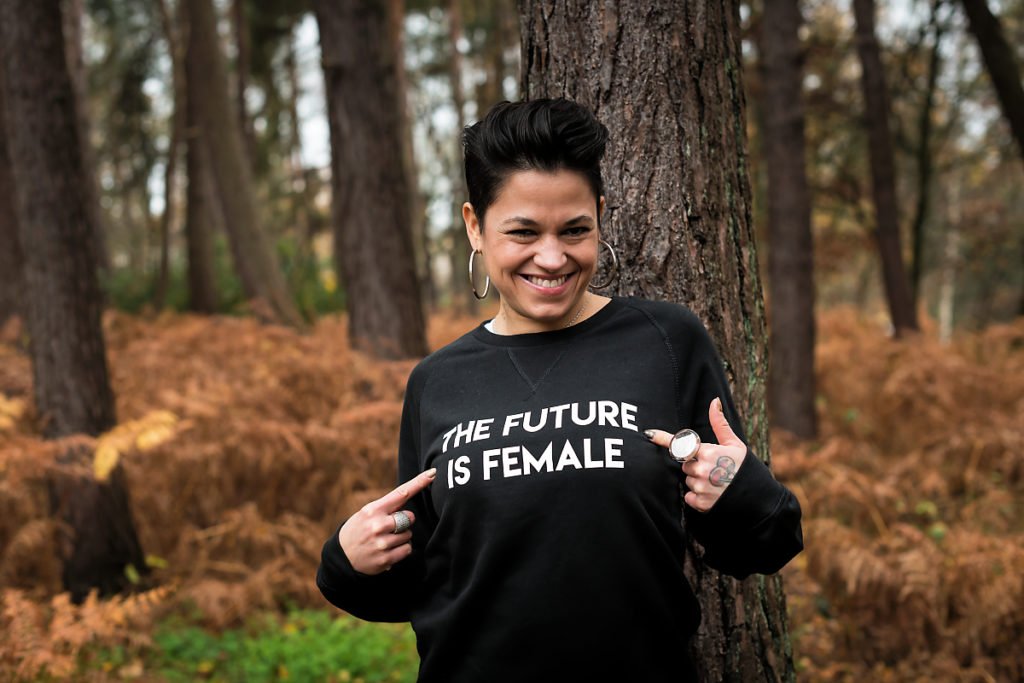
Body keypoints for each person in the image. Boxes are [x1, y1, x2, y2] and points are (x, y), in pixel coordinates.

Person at [316, 98, 803, 682]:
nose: (552, 257)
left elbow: (762, 547)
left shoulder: (665, 342)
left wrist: (740, 490)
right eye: (522, 232)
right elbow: (428, 582)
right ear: (475, 225)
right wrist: (347, 562)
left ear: (599, 214)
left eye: (575, 230)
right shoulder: (437, 381)